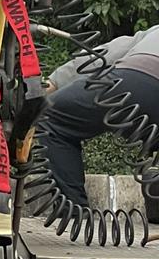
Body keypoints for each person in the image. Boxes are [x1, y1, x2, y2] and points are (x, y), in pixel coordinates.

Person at [41, 27, 159, 215]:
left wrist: (46, 87)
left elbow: (103, 55)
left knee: (51, 115)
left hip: (133, 81)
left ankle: (73, 212)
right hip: (140, 80)